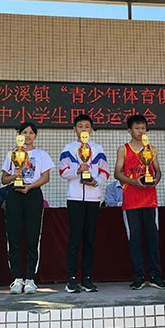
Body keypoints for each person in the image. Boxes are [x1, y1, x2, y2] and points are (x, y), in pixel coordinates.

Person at [114, 114, 165, 290]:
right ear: (129, 130)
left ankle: (155, 275)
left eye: (143, 128)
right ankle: (138, 276)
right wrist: (134, 182)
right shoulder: (124, 149)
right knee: (135, 239)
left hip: (150, 200)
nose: (140, 131)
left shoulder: (151, 149)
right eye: (137, 128)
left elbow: (158, 171)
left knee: (153, 238)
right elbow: (117, 173)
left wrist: (155, 180)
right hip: (131, 201)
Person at [1, 122, 55, 294]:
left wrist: (30, 187)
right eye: (24, 132)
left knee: (33, 236)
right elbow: (3, 179)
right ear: (19, 135)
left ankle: (31, 278)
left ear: (35, 136)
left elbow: (45, 177)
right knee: (14, 236)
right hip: (14, 195)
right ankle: (17, 278)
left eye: (31, 132)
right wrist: (14, 176)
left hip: (33, 194)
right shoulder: (11, 154)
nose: (28, 135)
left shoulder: (41, 154)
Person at [59, 114, 110, 293]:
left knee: (89, 239)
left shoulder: (98, 148)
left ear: (91, 129)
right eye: (80, 126)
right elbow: (63, 171)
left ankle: (87, 277)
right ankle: (71, 278)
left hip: (93, 198)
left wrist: (95, 182)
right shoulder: (69, 148)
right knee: (74, 238)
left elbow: (105, 171)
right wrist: (78, 170)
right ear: (74, 129)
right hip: (74, 198)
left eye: (87, 126)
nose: (83, 129)